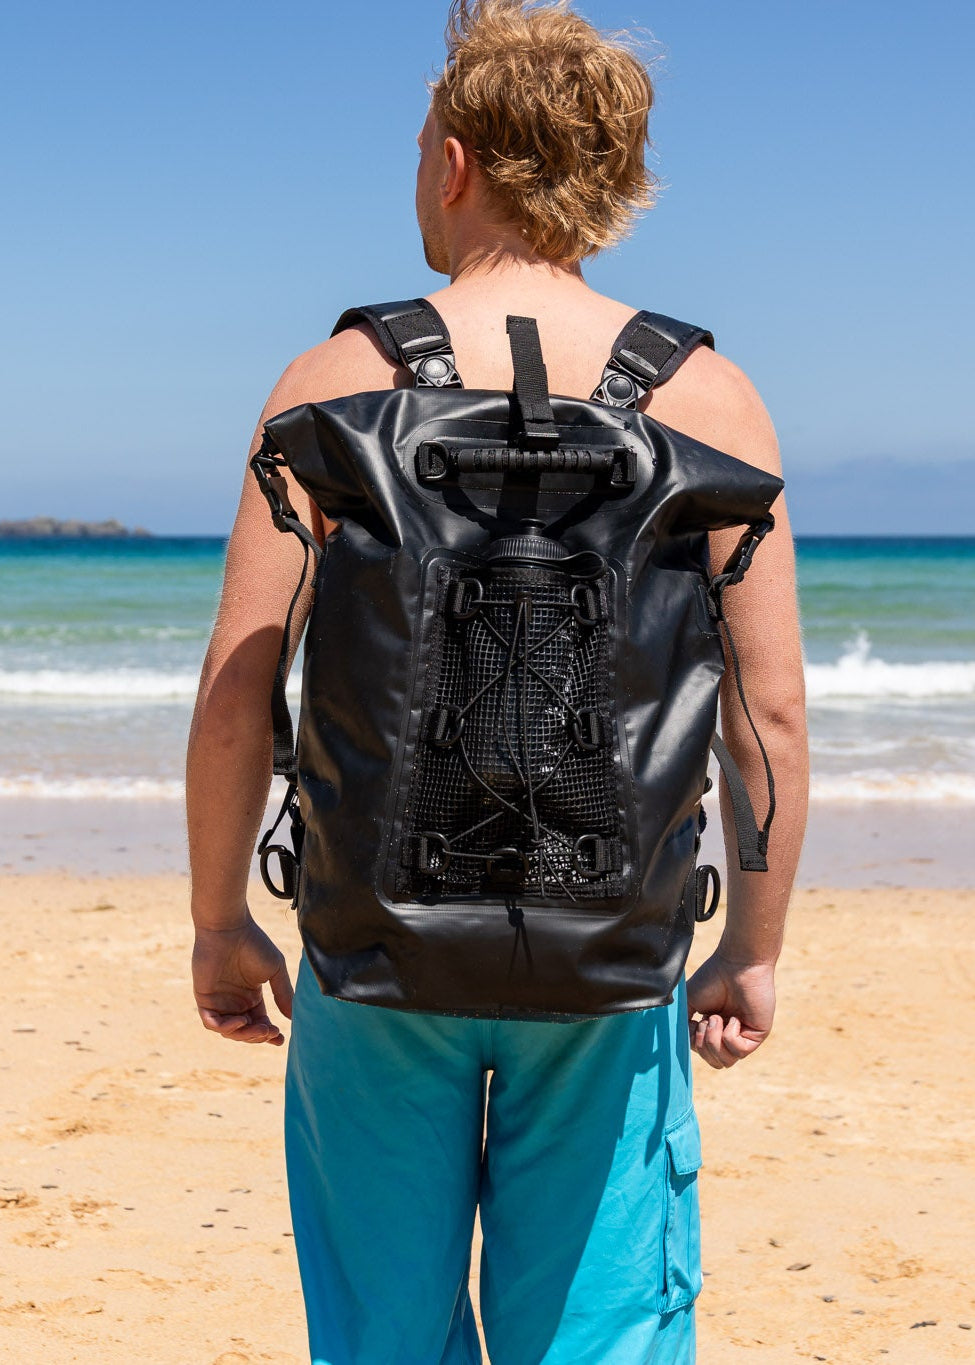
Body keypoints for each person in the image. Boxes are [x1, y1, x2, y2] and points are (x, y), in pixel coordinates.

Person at [186, 2, 809, 1360]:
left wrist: (220, 916)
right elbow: (766, 717)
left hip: (373, 947)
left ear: (457, 161)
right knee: (598, 1332)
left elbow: (244, 681)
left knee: (383, 1334)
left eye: (422, 141)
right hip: (612, 948)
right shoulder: (710, 398)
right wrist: (751, 948)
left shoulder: (336, 379)